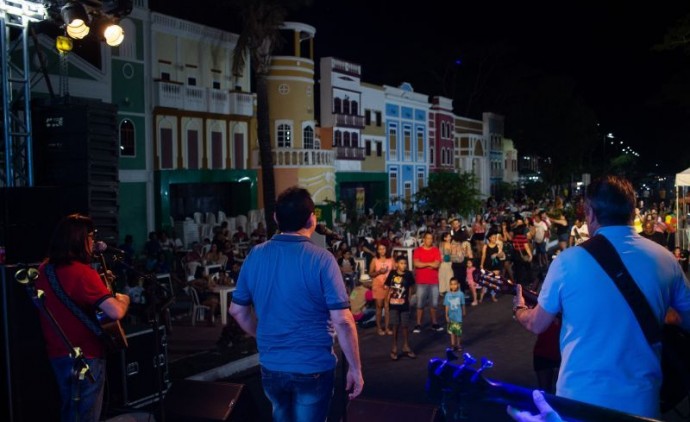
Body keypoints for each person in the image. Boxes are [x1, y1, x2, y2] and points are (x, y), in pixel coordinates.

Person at [513, 175, 690, 418]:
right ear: (632, 211)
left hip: (580, 401)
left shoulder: (567, 261)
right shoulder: (665, 259)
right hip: (642, 404)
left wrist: (519, 310)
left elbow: (537, 323)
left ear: (590, 213)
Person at [229, 186, 363, 421]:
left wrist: (262, 335)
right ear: (312, 219)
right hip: (312, 367)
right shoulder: (322, 259)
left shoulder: (255, 255)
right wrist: (355, 368)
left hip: (271, 366)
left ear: (275, 218)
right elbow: (342, 320)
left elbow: (237, 311)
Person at [35, 214, 130, 422]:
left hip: (58, 354)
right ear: (80, 240)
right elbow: (115, 312)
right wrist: (123, 299)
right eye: (90, 237)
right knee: (86, 415)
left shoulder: (44, 270)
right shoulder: (83, 273)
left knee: (70, 411)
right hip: (86, 356)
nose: (93, 242)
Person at [384, 255, 417, 360]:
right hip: (393, 304)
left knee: (405, 325)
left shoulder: (408, 274)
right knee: (395, 325)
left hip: (404, 304)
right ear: (396, 264)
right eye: (401, 263)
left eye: (405, 263)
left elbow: (411, 288)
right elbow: (388, 288)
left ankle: (406, 346)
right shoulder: (392, 274)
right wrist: (386, 301)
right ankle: (394, 347)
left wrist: (409, 299)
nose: (404, 265)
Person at [412, 231, 444, 333]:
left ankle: (434, 323)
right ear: (424, 239)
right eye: (428, 238)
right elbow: (417, 264)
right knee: (420, 304)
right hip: (421, 281)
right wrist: (430, 264)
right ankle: (418, 324)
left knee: (434, 304)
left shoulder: (435, 251)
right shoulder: (418, 251)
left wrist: (424, 264)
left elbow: (436, 265)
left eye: (431, 238)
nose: (429, 240)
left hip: (433, 281)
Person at [369, 243, 394, 335]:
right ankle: (379, 327)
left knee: (387, 307)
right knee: (379, 306)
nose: (382, 251)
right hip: (378, 284)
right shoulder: (375, 260)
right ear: (377, 250)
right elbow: (371, 273)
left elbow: (394, 272)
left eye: (384, 248)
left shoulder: (391, 260)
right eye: (380, 249)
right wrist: (379, 272)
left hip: (388, 285)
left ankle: (387, 327)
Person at [444, 277, 466, 351]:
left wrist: (464, 311)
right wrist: (446, 315)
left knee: (458, 331)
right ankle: (453, 344)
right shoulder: (447, 295)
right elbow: (447, 306)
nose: (453, 286)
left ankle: (458, 344)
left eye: (455, 284)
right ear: (449, 285)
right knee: (452, 331)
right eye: (452, 284)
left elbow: (463, 304)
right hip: (451, 315)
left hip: (458, 315)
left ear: (458, 285)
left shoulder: (461, 294)